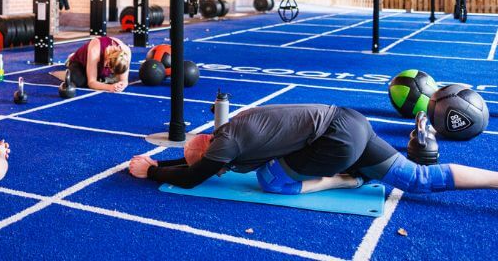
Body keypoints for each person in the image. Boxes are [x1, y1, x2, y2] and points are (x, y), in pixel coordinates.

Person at [129, 104, 498, 195]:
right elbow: (198, 159)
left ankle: (345, 180)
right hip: (350, 121)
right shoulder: (225, 132)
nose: (221, 170)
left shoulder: (226, 147)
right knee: (418, 178)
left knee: (270, 180)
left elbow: (195, 177)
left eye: (219, 166)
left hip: (335, 145)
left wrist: (153, 172)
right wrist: (160, 159)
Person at [66, 36, 131, 93]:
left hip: (102, 63)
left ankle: (102, 76)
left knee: (112, 79)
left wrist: (121, 85)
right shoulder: (95, 50)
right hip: (80, 62)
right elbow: (91, 82)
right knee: (78, 81)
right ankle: (70, 58)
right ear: (108, 62)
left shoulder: (126, 52)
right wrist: (110, 87)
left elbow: (124, 80)